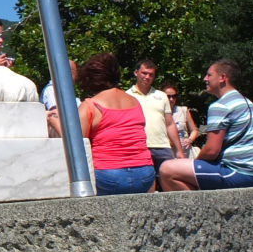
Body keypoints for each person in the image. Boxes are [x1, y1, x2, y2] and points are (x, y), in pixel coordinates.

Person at [159, 59, 253, 191]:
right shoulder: (246, 102)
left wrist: (195, 162)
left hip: (239, 173)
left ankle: (195, 210)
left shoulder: (220, 106)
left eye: (209, 75)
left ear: (222, 78)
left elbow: (212, 150)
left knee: (167, 169)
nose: (205, 79)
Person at [75, 53, 155, 195]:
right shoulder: (135, 102)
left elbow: (77, 147)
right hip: (145, 174)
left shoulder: (90, 106)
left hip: (108, 175)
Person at [126, 59, 185, 184]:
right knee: (144, 186)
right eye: (144, 73)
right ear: (136, 73)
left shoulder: (162, 95)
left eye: (151, 74)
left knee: (171, 183)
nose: (147, 77)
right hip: (139, 147)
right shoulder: (127, 96)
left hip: (162, 147)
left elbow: (169, 123)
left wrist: (179, 151)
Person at [161, 81, 200, 158]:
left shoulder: (183, 110)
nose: (171, 99)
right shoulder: (159, 114)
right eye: (168, 96)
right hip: (170, 154)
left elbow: (194, 130)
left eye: (174, 96)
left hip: (187, 152)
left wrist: (190, 140)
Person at [43, 60, 80, 138]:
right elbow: (56, 114)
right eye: (75, 71)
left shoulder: (67, 92)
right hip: (62, 139)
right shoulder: (51, 90)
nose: (77, 74)